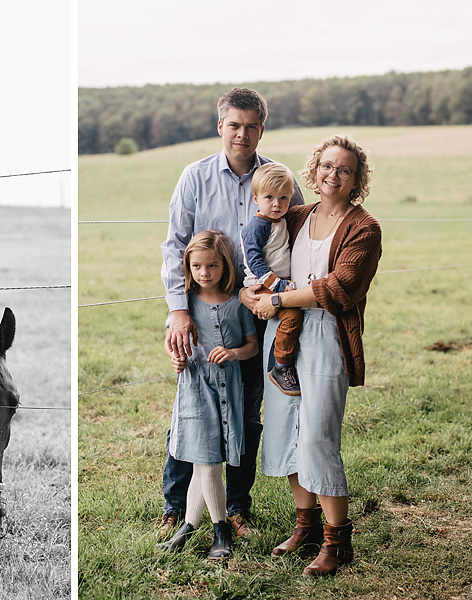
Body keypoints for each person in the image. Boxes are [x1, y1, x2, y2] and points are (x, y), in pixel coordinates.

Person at [159, 87, 305, 538]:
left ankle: (237, 507)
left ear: (263, 129)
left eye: (251, 126)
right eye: (234, 125)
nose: (242, 134)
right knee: (192, 404)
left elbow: (297, 241)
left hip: (263, 312)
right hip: (204, 307)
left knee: (248, 404)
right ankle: (175, 504)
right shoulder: (196, 176)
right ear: (220, 126)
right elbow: (175, 245)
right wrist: (179, 310)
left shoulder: (279, 180)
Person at [248, 134, 381, 577]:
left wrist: (280, 301)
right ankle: (305, 526)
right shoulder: (297, 215)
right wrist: (251, 292)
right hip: (282, 336)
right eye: (326, 166)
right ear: (314, 169)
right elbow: (262, 257)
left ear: (356, 178)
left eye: (344, 169)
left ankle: (337, 541)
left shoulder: (364, 228)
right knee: (286, 431)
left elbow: (339, 291)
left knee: (319, 438)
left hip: (327, 337)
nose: (333, 175)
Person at [157, 231, 257, 560]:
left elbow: (252, 346)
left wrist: (232, 353)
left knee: (207, 463)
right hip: (195, 391)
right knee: (208, 462)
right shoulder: (184, 306)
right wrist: (177, 358)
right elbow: (173, 345)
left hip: (228, 391)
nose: (204, 273)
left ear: (224, 266)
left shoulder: (236, 303)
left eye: (212, 265)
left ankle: (187, 527)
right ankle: (221, 532)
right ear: (188, 267)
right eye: (197, 266)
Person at [240, 163, 304, 396]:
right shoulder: (256, 227)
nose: (277, 204)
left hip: (278, 283)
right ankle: (281, 365)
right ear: (256, 199)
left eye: (283, 198)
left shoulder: (282, 221)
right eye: (270, 197)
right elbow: (255, 262)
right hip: (261, 284)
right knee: (292, 314)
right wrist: (277, 285)